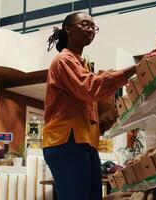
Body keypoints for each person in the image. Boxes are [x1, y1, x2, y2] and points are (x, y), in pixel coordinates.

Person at [43, 12, 136, 200]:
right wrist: (133, 70)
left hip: (84, 142)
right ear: (68, 29)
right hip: (66, 141)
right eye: (85, 24)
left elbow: (90, 109)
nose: (91, 29)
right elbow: (91, 88)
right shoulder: (64, 60)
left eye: (93, 26)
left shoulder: (82, 65)